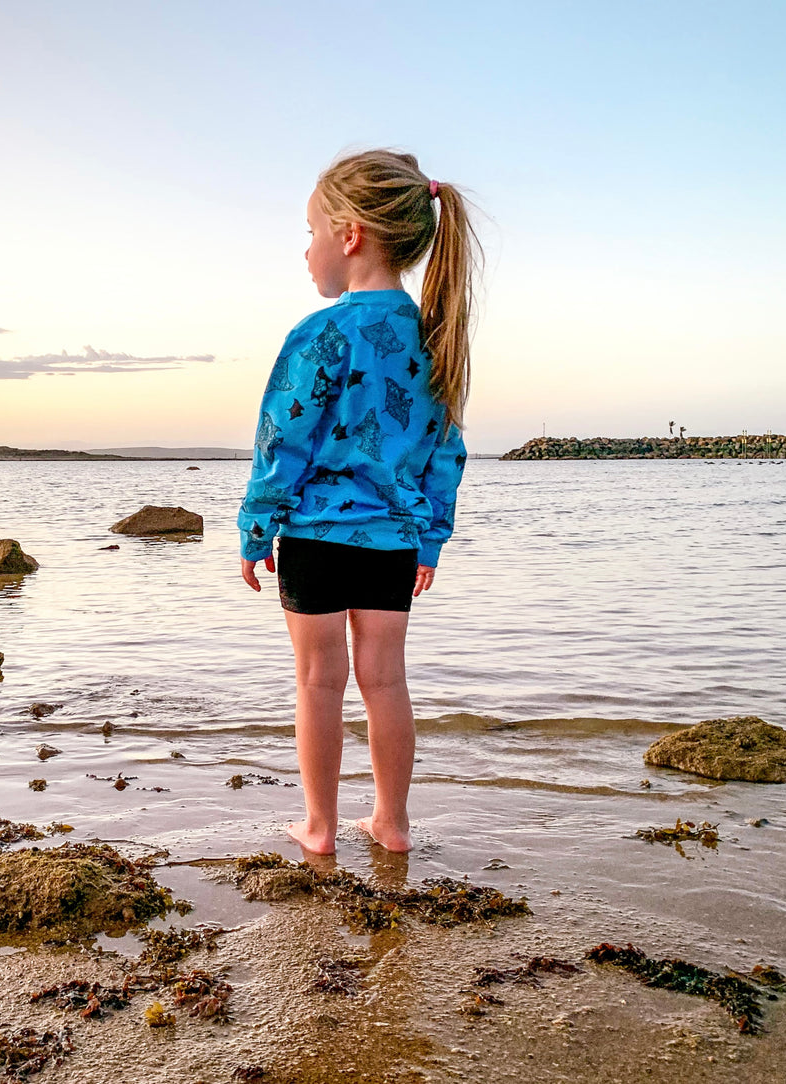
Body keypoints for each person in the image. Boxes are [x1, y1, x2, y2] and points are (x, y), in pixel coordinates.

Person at [238, 149, 481, 855]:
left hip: (314, 536)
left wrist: (256, 529)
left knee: (318, 683)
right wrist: (429, 539)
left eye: (310, 230)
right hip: (392, 542)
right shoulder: (435, 336)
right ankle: (392, 824)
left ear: (349, 236)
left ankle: (317, 828)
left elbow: (282, 441)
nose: (305, 248)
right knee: (385, 681)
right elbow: (446, 452)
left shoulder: (320, 334)